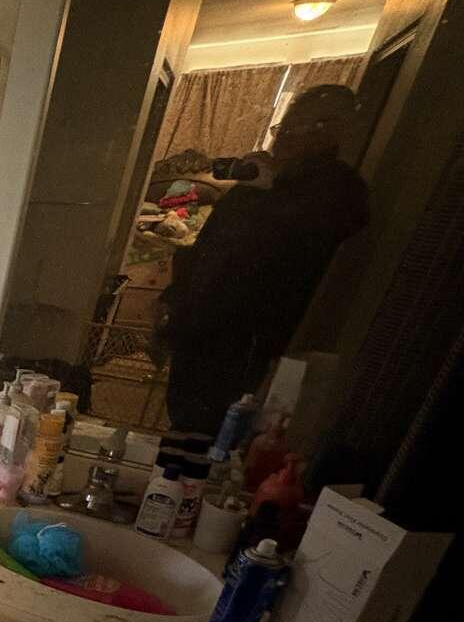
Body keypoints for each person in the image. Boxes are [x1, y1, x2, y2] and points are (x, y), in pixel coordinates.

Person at [157, 85, 369, 432]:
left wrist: (271, 191)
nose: (280, 139)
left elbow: (307, 247)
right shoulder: (257, 183)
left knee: (218, 429)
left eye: (291, 129)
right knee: (182, 418)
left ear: (327, 130)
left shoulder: (337, 188)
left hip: (248, 343)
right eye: (280, 129)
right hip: (200, 328)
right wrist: (173, 299)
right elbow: (207, 246)